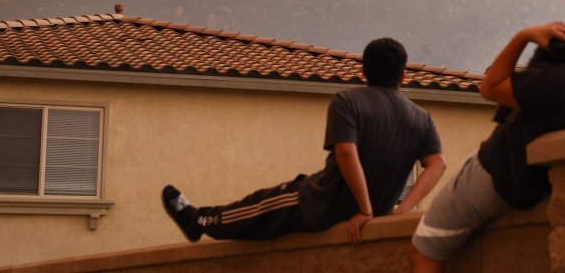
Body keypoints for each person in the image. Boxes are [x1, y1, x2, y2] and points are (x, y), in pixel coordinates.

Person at [410, 0, 565, 271]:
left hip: (500, 176)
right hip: (555, 190)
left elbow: (490, 88)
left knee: (425, 248)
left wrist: (524, 36)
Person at [163, 37, 447, 243]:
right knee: (265, 208)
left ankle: (197, 220)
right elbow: (437, 164)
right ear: (403, 76)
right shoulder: (422, 118)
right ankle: (198, 218)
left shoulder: (348, 101)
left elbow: (346, 153)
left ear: (363, 72)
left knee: (258, 206)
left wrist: (365, 209)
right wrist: (402, 210)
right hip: (376, 215)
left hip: (320, 204)